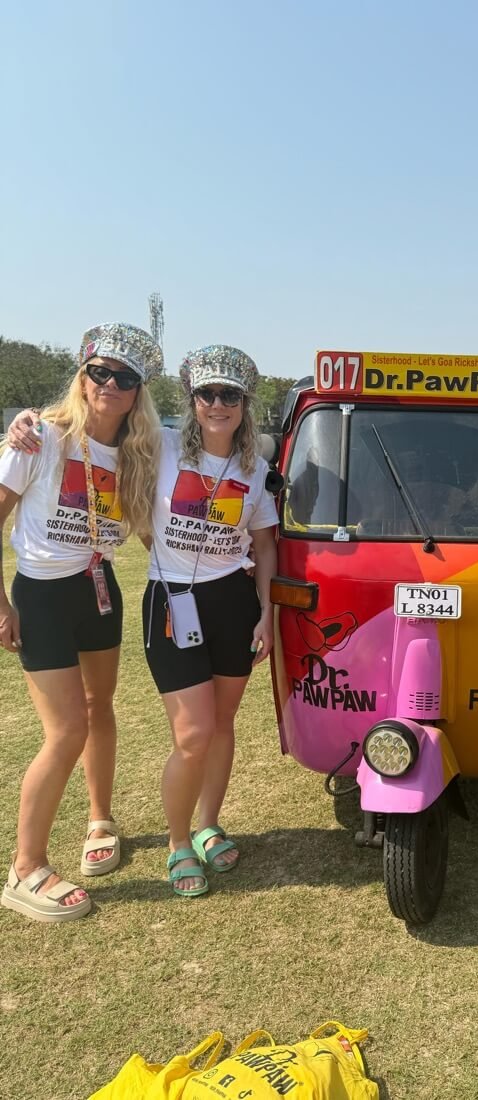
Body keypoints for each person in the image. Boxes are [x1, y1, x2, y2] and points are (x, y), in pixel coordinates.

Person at [0, 322, 162, 922]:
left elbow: (149, 532)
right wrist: (1, 605)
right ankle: (25, 868)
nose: (110, 385)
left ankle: (100, 819)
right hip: (42, 595)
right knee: (66, 729)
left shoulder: (139, 452)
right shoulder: (40, 436)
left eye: (125, 377)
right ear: (83, 375)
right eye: (100, 372)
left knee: (99, 708)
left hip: (99, 589)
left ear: (138, 390)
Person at [142, 346, 278, 897]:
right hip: (171, 598)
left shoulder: (256, 469)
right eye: (207, 394)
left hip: (232, 602)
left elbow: (265, 547)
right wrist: (32, 421)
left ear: (245, 405)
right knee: (193, 733)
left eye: (230, 395)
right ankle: (178, 843)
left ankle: (207, 825)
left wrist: (267, 613)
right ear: (192, 401)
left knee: (222, 724)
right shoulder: (163, 445)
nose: (218, 404)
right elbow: (97, 427)